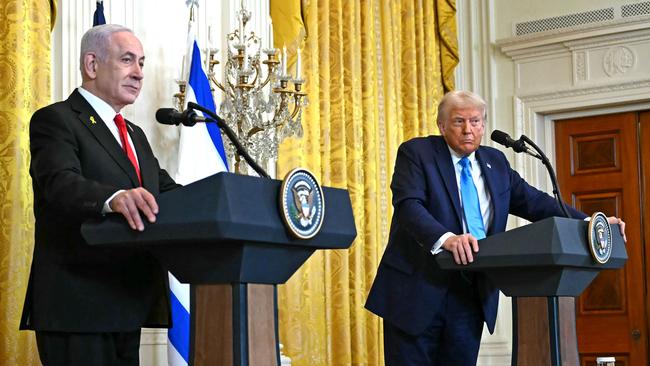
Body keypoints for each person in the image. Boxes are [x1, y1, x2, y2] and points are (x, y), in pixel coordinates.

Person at [364, 90, 627, 366]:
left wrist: (590, 223)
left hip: (470, 295)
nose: (468, 130)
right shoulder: (417, 153)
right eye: (458, 122)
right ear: (441, 126)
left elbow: (535, 202)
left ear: (483, 125)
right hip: (417, 291)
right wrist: (446, 239)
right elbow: (409, 205)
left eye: (476, 122)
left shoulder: (496, 162)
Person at [20, 24, 180, 366]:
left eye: (141, 62)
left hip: (127, 302)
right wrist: (115, 198)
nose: (138, 73)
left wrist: (223, 197)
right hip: (77, 306)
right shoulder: (56, 120)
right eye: (127, 60)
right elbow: (59, 184)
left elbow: (162, 191)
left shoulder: (134, 135)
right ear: (92, 65)